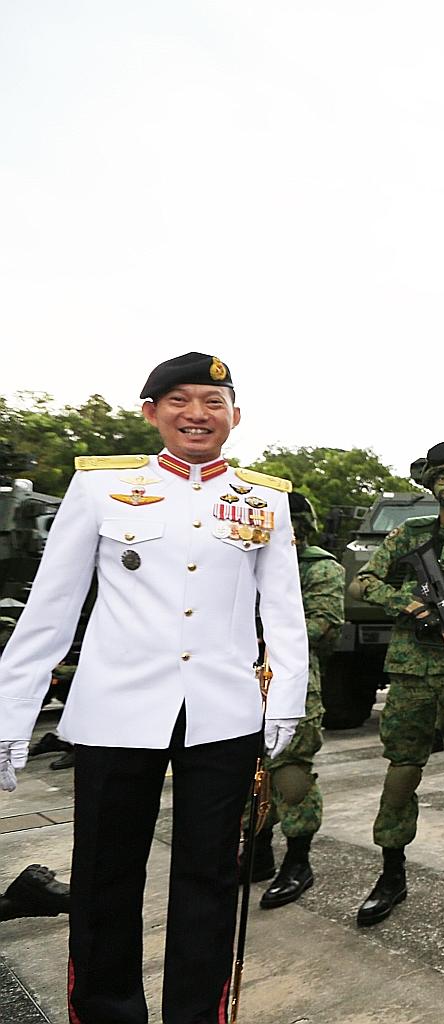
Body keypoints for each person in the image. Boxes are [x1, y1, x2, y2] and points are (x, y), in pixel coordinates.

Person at [0, 351, 307, 1024]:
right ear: (151, 412)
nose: (197, 414)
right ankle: (107, 1013)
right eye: (179, 400)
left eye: (213, 402)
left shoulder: (265, 500)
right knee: (105, 877)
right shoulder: (100, 487)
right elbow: (52, 606)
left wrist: (285, 700)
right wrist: (12, 711)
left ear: (234, 416)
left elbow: (284, 613)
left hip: (223, 713)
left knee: (211, 877)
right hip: (116, 710)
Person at [350, 441, 444, 926]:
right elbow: (362, 583)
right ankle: (391, 875)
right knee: (402, 773)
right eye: (441, 477)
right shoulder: (410, 534)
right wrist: (410, 604)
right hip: (413, 674)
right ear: (430, 484)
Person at [245, 491, 346, 909]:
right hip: (238, 679)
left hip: (292, 681)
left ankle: (298, 863)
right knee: (244, 772)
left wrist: (265, 629)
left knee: (291, 777)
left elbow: (324, 626)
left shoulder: (320, 567)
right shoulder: (242, 560)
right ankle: (257, 852)